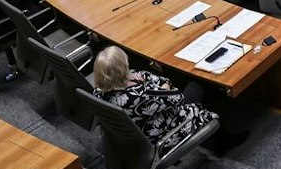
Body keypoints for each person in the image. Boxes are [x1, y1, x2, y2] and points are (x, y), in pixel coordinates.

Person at [92, 44, 239, 155]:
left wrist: (158, 85)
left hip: (136, 133)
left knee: (180, 84)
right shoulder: (142, 95)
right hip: (161, 136)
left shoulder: (98, 92)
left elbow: (149, 78)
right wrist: (162, 86)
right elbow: (177, 96)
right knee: (197, 85)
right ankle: (223, 141)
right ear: (123, 69)